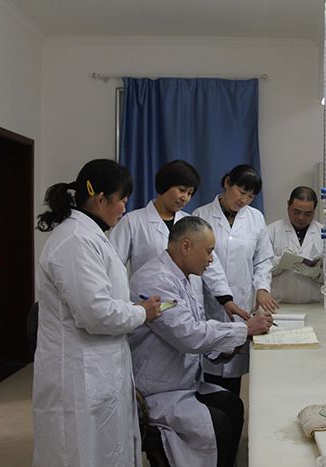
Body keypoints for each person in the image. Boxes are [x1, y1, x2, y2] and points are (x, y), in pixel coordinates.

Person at [33, 159, 162, 467]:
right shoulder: (75, 240)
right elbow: (96, 313)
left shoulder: (90, 235)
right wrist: (141, 313)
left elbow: (102, 301)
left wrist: (134, 310)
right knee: (79, 452)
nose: (124, 209)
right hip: (79, 375)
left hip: (98, 368)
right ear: (100, 199)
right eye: (122, 201)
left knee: (104, 449)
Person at [129, 216, 273, 467]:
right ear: (186, 247)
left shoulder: (181, 277)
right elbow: (188, 335)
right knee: (219, 423)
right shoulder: (156, 280)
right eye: (208, 251)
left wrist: (227, 348)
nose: (211, 259)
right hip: (159, 390)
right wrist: (243, 330)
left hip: (181, 381)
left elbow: (194, 330)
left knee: (233, 405)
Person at [109, 159, 249, 321]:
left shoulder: (192, 223)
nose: (185, 198)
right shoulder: (133, 222)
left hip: (188, 306)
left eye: (190, 193)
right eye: (181, 190)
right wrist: (121, 305)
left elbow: (211, 264)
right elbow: (113, 265)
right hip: (152, 305)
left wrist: (226, 299)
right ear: (165, 185)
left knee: (191, 331)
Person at [193, 164, 279, 395]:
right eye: (241, 192)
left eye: (250, 196)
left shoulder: (256, 218)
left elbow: (263, 259)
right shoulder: (201, 216)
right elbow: (202, 263)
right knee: (207, 374)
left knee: (233, 380)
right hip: (211, 305)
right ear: (227, 183)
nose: (244, 200)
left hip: (242, 303)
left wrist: (262, 288)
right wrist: (223, 296)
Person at [267, 186, 326, 303]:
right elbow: (261, 269)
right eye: (296, 212)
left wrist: (317, 273)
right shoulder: (272, 231)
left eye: (307, 214)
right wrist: (281, 263)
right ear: (288, 206)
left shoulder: (324, 233)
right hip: (279, 304)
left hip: (314, 304)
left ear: (314, 211)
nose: (301, 218)